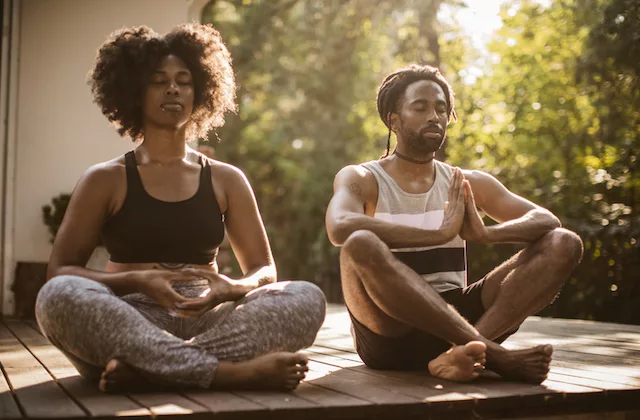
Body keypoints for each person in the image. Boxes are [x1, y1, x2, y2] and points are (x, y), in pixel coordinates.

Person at [35, 24, 326, 393]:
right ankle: (226, 373)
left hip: (210, 317)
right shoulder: (104, 179)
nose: (173, 88)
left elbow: (264, 270)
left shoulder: (226, 179)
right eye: (158, 80)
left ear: (200, 92)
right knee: (58, 296)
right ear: (134, 92)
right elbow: (59, 271)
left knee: (305, 297)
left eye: (184, 80)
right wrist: (137, 280)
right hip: (129, 318)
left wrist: (231, 288)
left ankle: (152, 370)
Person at [325, 64, 583, 384]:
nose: (434, 116)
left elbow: (547, 220)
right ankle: (492, 354)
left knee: (564, 242)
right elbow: (339, 226)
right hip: (391, 333)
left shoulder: (465, 181)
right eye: (420, 108)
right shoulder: (363, 178)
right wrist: (437, 234)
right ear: (394, 119)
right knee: (358, 244)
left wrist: (487, 233)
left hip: (459, 321)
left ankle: (466, 350)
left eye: (441, 108)